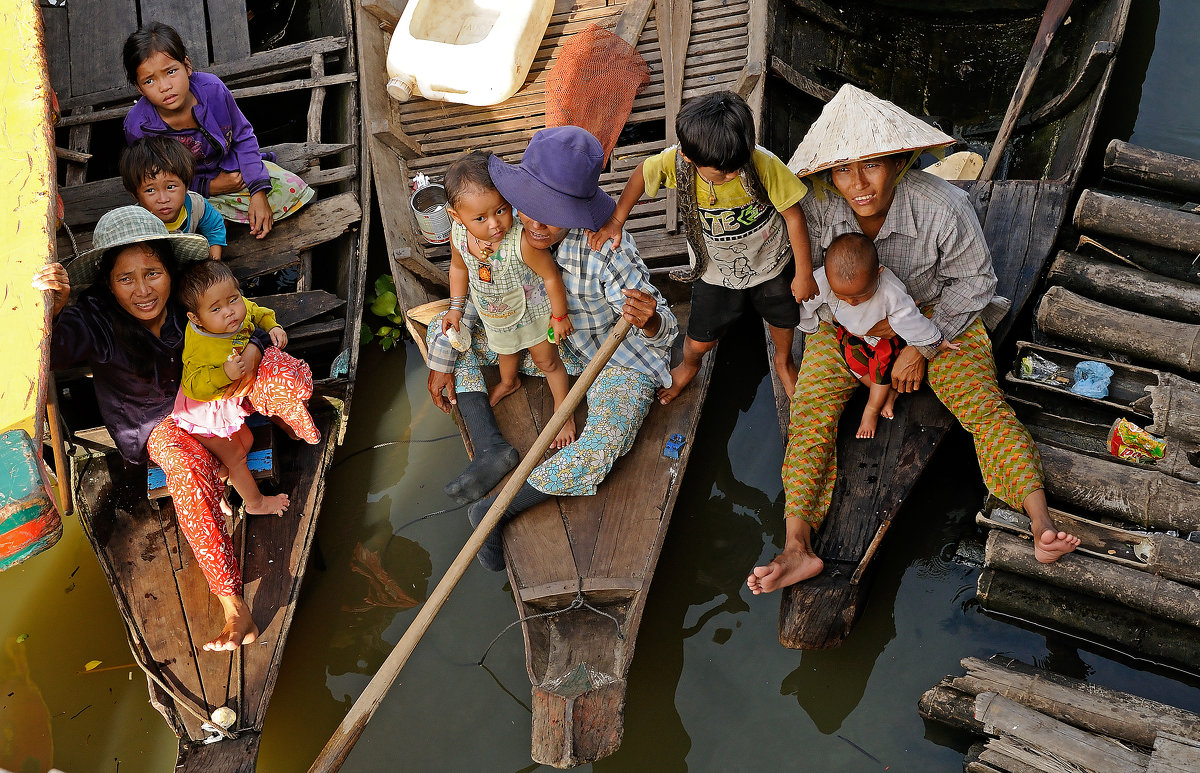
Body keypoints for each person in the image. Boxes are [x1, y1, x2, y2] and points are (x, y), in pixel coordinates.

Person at [747, 85, 1079, 595]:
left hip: (934, 316)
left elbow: (975, 284)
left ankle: (1040, 521)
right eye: (841, 170)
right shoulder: (815, 209)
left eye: (872, 166)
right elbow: (805, 282)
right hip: (845, 322)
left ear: (900, 161)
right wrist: (838, 334)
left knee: (982, 407)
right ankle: (798, 547)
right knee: (810, 411)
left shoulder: (942, 206)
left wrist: (916, 346)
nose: (857, 184)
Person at [425, 126, 678, 570]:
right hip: (539, 339)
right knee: (444, 334)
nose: (536, 226)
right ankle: (490, 448)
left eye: (552, 215)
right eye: (530, 209)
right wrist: (446, 357)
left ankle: (495, 510)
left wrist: (651, 318)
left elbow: (667, 329)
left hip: (611, 357)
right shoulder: (501, 222)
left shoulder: (606, 249)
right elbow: (470, 285)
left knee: (601, 446)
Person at [33, 206, 278, 650]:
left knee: (281, 371)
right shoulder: (94, 317)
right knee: (185, 469)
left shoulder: (192, 300)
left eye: (152, 273)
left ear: (170, 271)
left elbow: (250, 320)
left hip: (211, 403)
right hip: (155, 425)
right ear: (108, 283)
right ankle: (233, 606)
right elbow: (50, 352)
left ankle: (227, 469)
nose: (143, 291)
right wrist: (56, 304)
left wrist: (259, 348)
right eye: (126, 279)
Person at [588, 90, 815, 404]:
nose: (733, 174)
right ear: (688, 157)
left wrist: (803, 273)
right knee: (698, 337)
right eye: (722, 173)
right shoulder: (677, 164)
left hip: (771, 263)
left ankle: (782, 360)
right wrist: (617, 218)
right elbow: (642, 173)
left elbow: (793, 215)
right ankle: (689, 366)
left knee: (782, 318)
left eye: (738, 166)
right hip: (713, 272)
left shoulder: (761, 164)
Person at [122, 21, 313, 239]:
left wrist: (258, 193)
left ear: (187, 66)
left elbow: (243, 137)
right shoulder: (139, 127)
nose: (164, 86)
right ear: (139, 88)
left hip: (234, 170)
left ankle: (224, 220)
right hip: (185, 189)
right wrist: (210, 186)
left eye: (171, 71)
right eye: (149, 80)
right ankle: (216, 222)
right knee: (169, 220)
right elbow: (153, 180)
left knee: (290, 188)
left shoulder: (212, 90)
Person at [441, 151, 577, 448]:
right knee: (505, 354)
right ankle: (509, 382)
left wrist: (559, 316)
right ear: (456, 217)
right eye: (480, 218)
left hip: (534, 314)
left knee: (547, 361)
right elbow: (458, 269)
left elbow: (551, 277)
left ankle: (563, 410)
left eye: (501, 210)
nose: (495, 224)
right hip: (495, 316)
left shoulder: (522, 242)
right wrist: (455, 308)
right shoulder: (459, 236)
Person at [172, 259, 319, 516]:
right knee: (237, 458)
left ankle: (217, 474)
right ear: (196, 318)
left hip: (227, 402)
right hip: (206, 412)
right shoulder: (200, 346)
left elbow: (256, 311)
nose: (230, 311)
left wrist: (273, 325)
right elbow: (193, 386)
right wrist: (222, 374)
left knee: (248, 440)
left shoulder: (236, 311)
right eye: (215, 309)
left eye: (233, 299)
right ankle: (255, 503)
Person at [800, 232, 959, 439]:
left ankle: (872, 409)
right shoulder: (823, 279)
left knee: (879, 369)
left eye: (860, 296)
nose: (851, 302)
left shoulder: (890, 291)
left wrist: (937, 340)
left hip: (884, 340)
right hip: (852, 333)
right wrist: (807, 320)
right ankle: (889, 393)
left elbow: (910, 318)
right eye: (842, 296)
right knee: (854, 363)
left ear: (878, 272)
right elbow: (808, 300)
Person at [120, 136, 227, 259]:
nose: (163, 199)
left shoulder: (196, 205)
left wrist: (214, 262)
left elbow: (214, 227)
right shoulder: (137, 224)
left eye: (171, 187)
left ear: (186, 185)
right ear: (135, 195)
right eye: (150, 190)